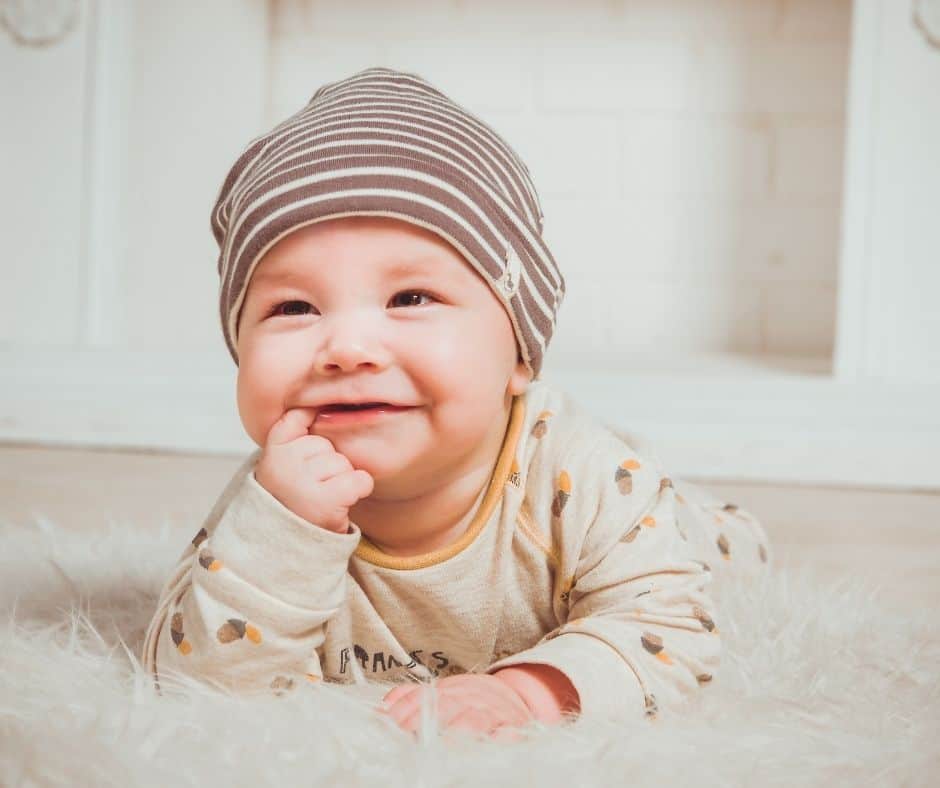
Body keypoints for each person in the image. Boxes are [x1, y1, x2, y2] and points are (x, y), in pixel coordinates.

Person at [141, 66, 772, 740]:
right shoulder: (276, 501)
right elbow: (196, 680)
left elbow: (669, 628)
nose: (348, 348)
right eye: (293, 306)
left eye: (410, 298)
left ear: (520, 355)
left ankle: (697, 511)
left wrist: (529, 693)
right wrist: (282, 536)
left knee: (707, 550)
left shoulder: (583, 476)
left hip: (620, 507)